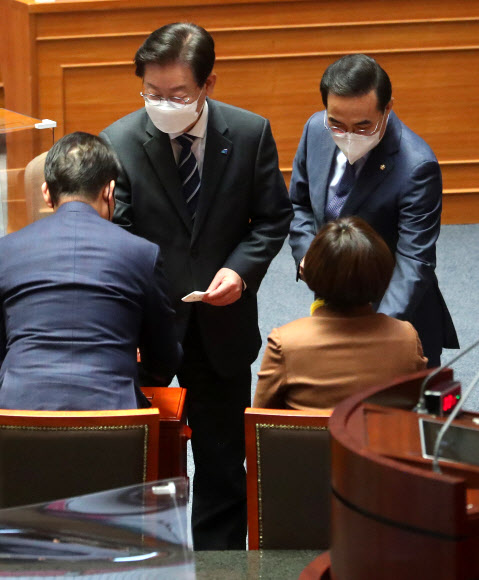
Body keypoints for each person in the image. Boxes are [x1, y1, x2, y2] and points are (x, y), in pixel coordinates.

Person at [100, 23, 293, 550]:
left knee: (222, 461)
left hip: (222, 324)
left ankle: (218, 563)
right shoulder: (119, 141)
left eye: (176, 95)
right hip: (150, 326)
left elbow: (272, 219)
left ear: (208, 84)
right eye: (152, 93)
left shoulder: (250, 134)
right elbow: (118, 231)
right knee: (148, 461)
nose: (162, 105)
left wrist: (241, 270)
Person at [289, 53, 458, 368]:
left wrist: (374, 329)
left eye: (363, 125)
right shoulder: (315, 130)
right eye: (336, 123)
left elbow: (414, 260)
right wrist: (308, 255)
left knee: (401, 415)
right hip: (333, 306)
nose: (348, 134)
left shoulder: (417, 166)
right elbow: (298, 204)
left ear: (387, 108)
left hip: (397, 318)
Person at [0, 132, 182, 411]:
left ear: (46, 193)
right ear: (110, 192)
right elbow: (164, 356)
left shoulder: (6, 250)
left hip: (17, 414)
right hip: (113, 421)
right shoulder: (142, 253)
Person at [254, 217, 427, 410]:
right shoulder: (406, 338)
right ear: (384, 274)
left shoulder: (285, 343)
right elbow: (415, 412)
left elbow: (261, 424)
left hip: (313, 442)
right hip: (379, 440)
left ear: (312, 271)